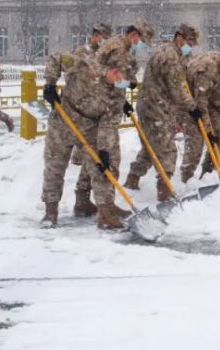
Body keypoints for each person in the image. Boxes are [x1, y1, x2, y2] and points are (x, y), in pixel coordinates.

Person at [39, 19, 153, 229]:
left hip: (91, 125)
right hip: (64, 119)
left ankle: (105, 211)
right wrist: (50, 84)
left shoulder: (117, 94)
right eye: (119, 76)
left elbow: (108, 124)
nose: (121, 81)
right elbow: (56, 58)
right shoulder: (86, 64)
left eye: (125, 80)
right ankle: (50, 211)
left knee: (105, 166)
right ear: (111, 69)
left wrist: (103, 150)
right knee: (55, 166)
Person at [123, 23, 200, 201]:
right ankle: (164, 190)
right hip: (156, 107)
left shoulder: (167, 51)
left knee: (151, 147)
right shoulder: (170, 56)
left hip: (151, 105)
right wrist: (192, 107)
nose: (190, 45)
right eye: (188, 41)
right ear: (178, 37)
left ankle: (132, 179)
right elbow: (177, 89)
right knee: (167, 149)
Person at [180, 43, 220, 182]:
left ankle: (211, 177)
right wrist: (209, 131)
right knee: (196, 145)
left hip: (208, 101)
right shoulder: (207, 69)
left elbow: (219, 94)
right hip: (189, 102)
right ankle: (185, 181)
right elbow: (200, 103)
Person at [68, 22, 114, 218]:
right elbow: (74, 81)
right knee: (93, 156)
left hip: (97, 111)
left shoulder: (103, 57)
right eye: (103, 37)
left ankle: (83, 199)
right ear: (95, 35)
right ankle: (92, 202)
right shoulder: (82, 53)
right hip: (83, 113)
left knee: (93, 157)